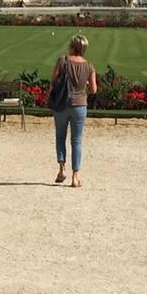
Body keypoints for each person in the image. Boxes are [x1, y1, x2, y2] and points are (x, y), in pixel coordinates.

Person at [50, 34, 97, 188]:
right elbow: (94, 89)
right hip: (80, 105)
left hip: (62, 104)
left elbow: (53, 82)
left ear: (71, 47)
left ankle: (61, 169)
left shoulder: (62, 61)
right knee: (76, 141)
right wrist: (82, 93)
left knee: (60, 137)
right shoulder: (89, 66)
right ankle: (75, 176)